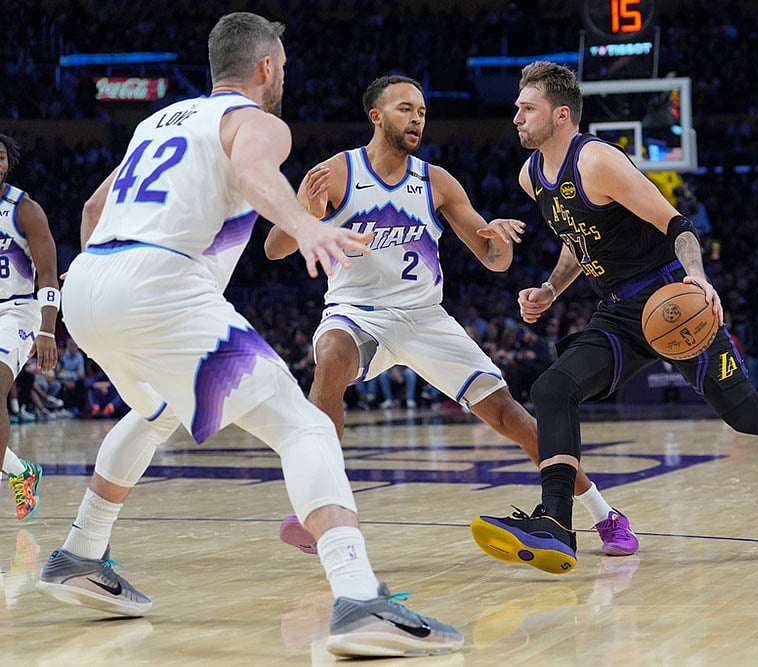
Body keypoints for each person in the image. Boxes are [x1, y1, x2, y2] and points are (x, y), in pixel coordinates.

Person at [34, 14, 461, 658]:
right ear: (265, 67)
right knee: (305, 427)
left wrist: (105, 276)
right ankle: (358, 599)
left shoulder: (158, 121)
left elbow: (95, 209)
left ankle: (79, 554)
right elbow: (257, 172)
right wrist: (306, 225)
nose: (284, 76)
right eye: (282, 66)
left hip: (90, 283)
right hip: (161, 286)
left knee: (155, 412)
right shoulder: (256, 121)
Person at [470, 61, 758, 575]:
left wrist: (698, 278)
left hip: (672, 301)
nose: (516, 117)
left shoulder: (597, 161)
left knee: (746, 414)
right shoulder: (531, 177)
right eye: (517, 108)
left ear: (560, 115)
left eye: (527, 108)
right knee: (553, 388)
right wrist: (551, 289)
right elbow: (578, 240)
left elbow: (677, 224)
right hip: (619, 313)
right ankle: (555, 522)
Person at [265, 74, 638, 558]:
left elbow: (493, 259)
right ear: (376, 116)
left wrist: (499, 239)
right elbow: (274, 249)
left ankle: (604, 515)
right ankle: (321, 507)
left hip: (425, 317)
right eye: (405, 109)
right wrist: (308, 214)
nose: (416, 118)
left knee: (509, 416)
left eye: (421, 111)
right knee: (331, 357)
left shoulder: (436, 182)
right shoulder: (335, 173)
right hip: (358, 314)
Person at [0, 132, 53, 521]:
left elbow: (47, 274)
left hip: (17, 311)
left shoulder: (25, 209)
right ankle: (21, 471)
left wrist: (47, 330)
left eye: (0, 157)